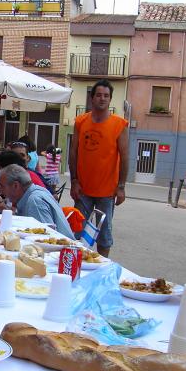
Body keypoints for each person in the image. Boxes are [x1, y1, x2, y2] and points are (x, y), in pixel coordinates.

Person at [69, 79, 129, 258]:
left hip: (107, 192)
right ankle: (76, 262)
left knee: (104, 236)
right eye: (99, 95)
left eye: (106, 96)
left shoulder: (119, 124)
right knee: (76, 231)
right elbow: (73, 152)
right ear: (92, 98)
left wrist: (121, 186)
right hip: (83, 189)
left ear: (110, 99)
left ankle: (101, 265)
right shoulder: (80, 122)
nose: (102, 98)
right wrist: (74, 181)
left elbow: (125, 156)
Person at [0, 165, 74, 238]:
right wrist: (2, 206)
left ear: (15, 186)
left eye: (2, 186)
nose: (0, 191)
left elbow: (44, 238)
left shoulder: (35, 201)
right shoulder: (33, 192)